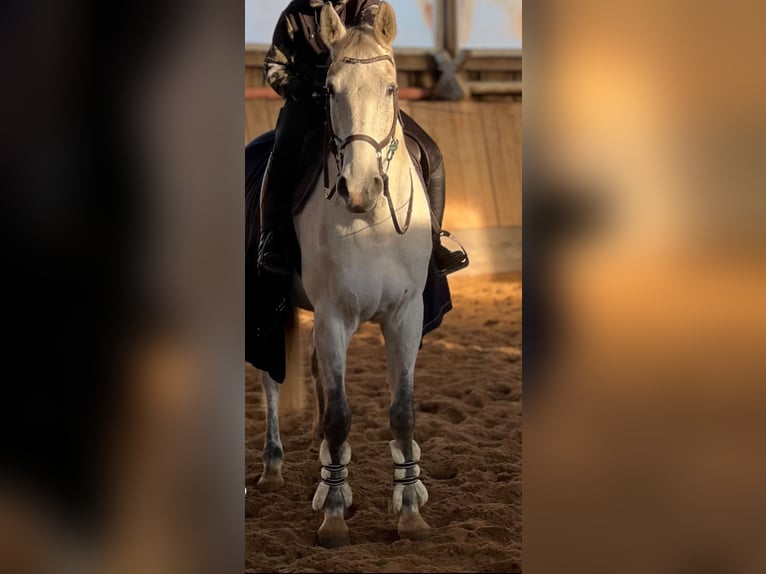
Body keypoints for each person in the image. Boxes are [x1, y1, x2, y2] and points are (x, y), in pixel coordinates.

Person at [258, 0, 468, 277]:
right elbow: (274, 65)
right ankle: (273, 238)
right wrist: (301, 88)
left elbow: (372, 42)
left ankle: (433, 238)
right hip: (307, 103)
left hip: (364, 103)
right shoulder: (296, 13)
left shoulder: (370, 6)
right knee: (282, 156)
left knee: (431, 153)